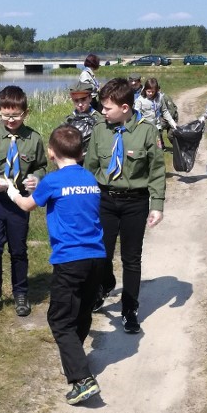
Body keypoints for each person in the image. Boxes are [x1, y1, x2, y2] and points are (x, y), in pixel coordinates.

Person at [7, 125, 105, 405]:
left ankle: (82, 379)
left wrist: (11, 192)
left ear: (51, 153)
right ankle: (75, 360)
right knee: (82, 311)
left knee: (59, 319)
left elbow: (27, 205)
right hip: (96, 257)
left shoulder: (53, 180)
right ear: (81, 152)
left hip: (69, 259)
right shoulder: (89, 177)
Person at [83, 78, 166, 334]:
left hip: (135, 202)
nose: (103, 112)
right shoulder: (100, 130)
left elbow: (156, 170)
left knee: (131, 258)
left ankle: (129, 309)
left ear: (125, 107)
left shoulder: (147, 131)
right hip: (105, 200)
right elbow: (91, 167)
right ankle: (105, 285)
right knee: (100, 255)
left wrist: (157, 204)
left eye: (108, 108)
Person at [0, 85, 48, 316]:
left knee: (18, 248)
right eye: (6, 115)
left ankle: (21, 293)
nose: (11, 119)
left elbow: (41, 166)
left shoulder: (33, 139)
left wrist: (37, 178)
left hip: (19, 201)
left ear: (25, 113)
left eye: (15, 115)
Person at [65, 80, 103, 160]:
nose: (80, 104)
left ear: (90, 98)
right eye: (76, 101)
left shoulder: (99, 119)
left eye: (83, 100)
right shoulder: (68, 121)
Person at [135, 77, 178, 149]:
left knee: (158, 149)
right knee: (147, 148)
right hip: (145, 129)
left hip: (157, 128)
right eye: (148, 91)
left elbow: (164, 111)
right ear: (145, 89)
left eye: (153, 92)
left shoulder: (160, 97)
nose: (150, 93)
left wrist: (172, 123)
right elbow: (135, 114)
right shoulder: (140, 100)